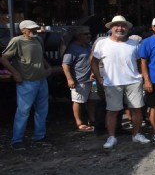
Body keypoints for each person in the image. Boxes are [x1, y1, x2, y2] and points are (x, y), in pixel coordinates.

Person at [91, 15, 150, 149]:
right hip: (112, 83)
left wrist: (142, 76)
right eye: (117, 25)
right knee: (112, 111)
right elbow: (93, 61)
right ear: (111, 27)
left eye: (123, 26)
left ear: (127, 29)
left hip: (133, 82)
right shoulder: (102, 43)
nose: (120, 28)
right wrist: (99, 77)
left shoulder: (134, 43)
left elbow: (141, 61)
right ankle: (111, 137)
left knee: (137, 109)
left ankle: (136, 135)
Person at [1, 20, 52, 150]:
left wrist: (48, 67)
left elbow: (40, 56)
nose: (34, 31)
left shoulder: (38, 40)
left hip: (41, 80)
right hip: (27, 81)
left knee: (42, 109)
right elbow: (4, 58)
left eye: (35, 28)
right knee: (23, 111)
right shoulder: (17, 41)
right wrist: (16, 73)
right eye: (31, 29)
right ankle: (17, 139)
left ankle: (39, 136)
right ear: (24, 30)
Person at [62, 26, 95, 132]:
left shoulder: (88, 46)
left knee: (91, 101)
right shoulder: (72, 48)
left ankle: (92, 120)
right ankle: (79, 122)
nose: (88, 35)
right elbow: (65, 64)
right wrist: (69, 79)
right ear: (78, 36)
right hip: (79, 80)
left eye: (89, 33)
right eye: (85, 34)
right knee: (78, 102)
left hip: (91, 79)